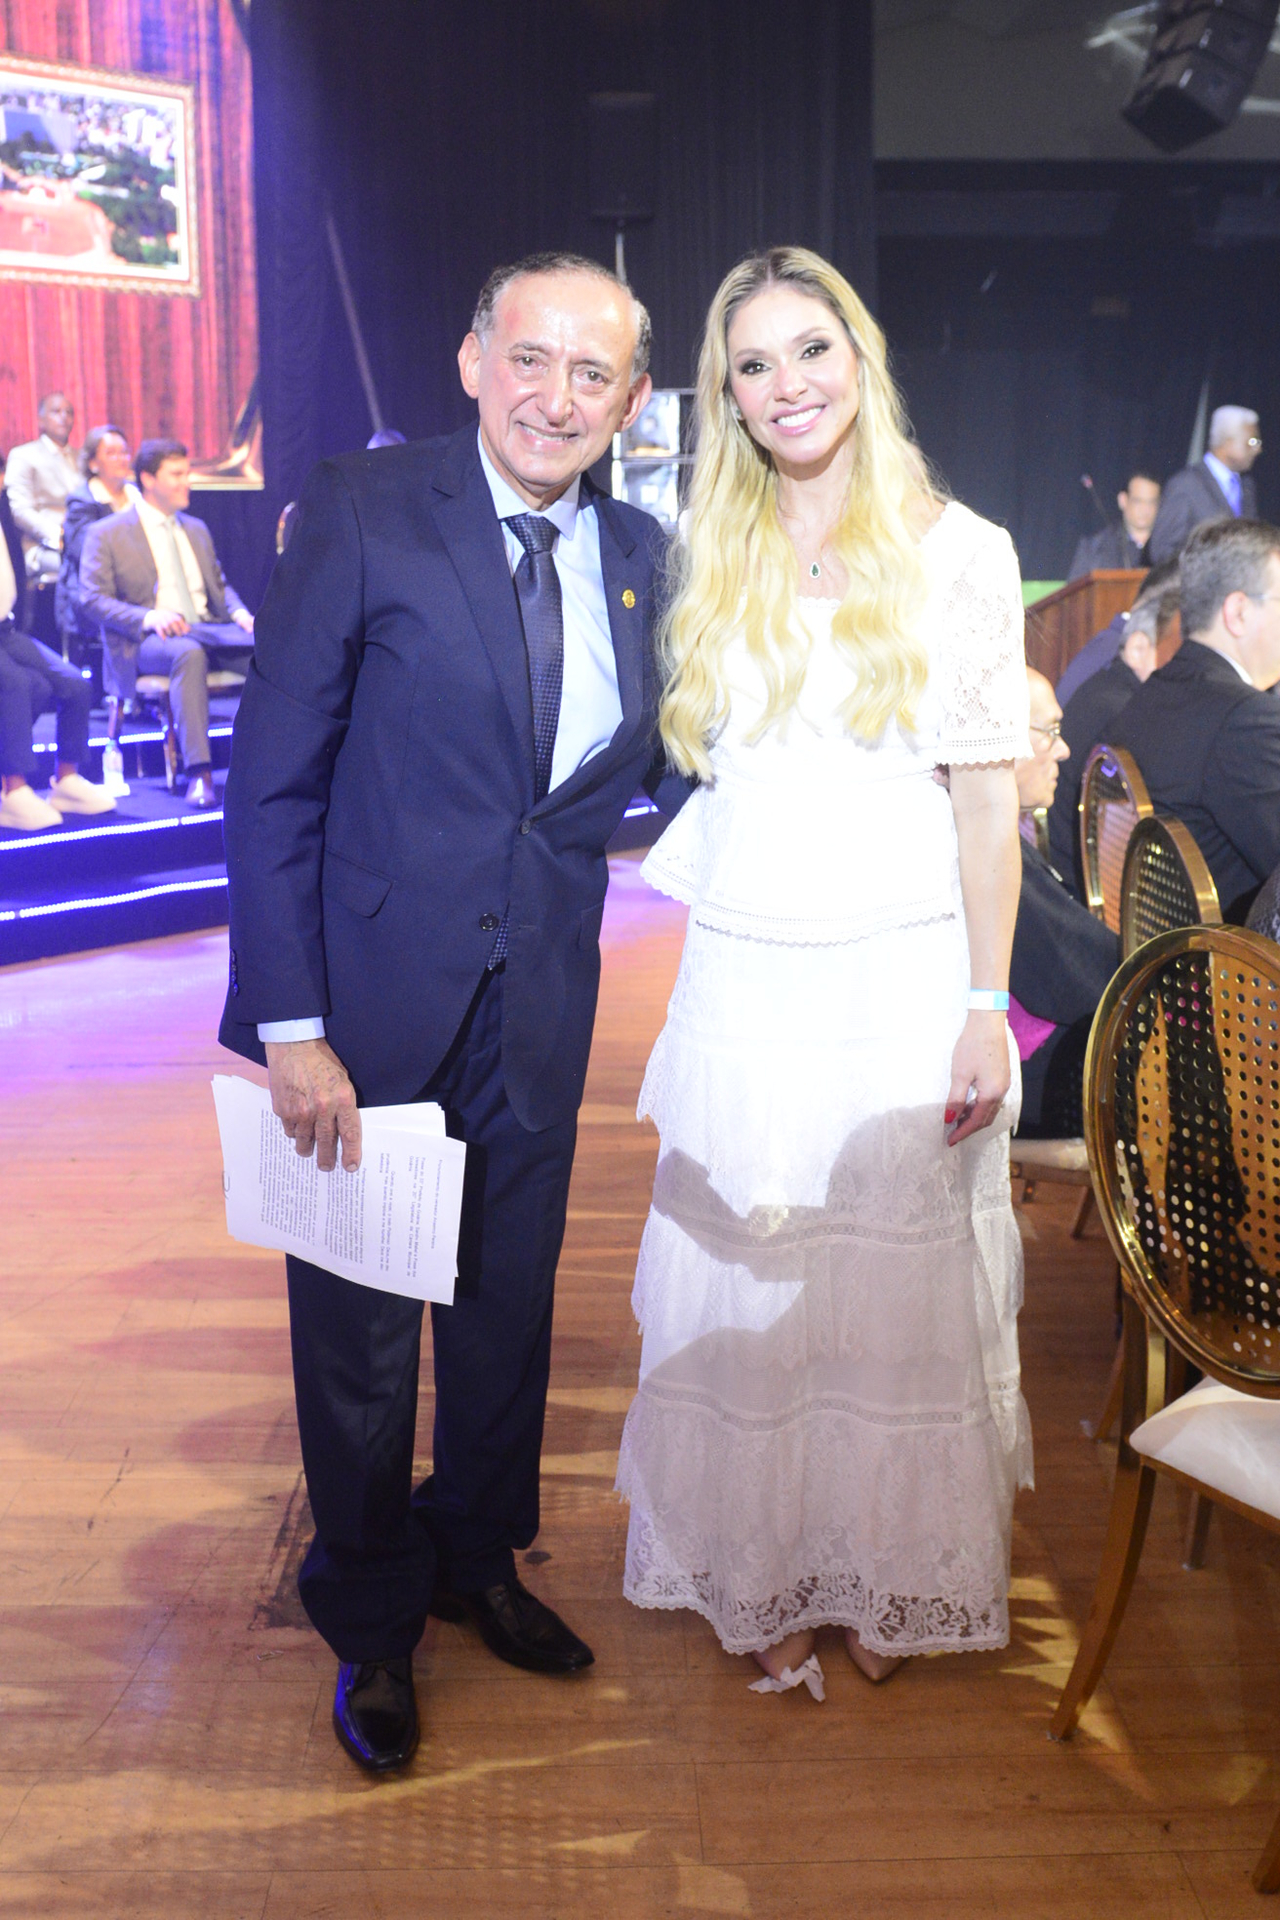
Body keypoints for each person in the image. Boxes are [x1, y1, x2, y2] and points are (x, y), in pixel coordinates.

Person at [219, 251, 683, 1773]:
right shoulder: (364, 509)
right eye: (530, 359)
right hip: (364, 1011)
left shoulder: (644, 555)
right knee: (358, 1338)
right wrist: (290, 1025)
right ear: (474, 359)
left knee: (504, 1309)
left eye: (592, 373)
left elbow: (669, 775)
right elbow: (273, 787)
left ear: (630, 400)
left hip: (538, 1005)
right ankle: (370, 1621)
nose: (557, 397)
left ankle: (477, 1559)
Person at [617, 247, 1032, 1700]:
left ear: (860, 358)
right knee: (755, 1268)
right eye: (753, 364)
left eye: (810, 350)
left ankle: (880, 1566)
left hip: (899, 967)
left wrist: (985, 1008)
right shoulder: (705, 542)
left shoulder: (961, 549)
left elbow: (983, 805)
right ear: (725, 396)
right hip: (747, 969)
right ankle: (765, 1563)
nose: (786, 384)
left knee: (889, 1281)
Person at [1108, 516, 1280, 922]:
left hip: (1156, 953)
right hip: (1226, 957)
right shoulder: (1244, 721)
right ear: (1238, 612)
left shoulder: (1151, 696)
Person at [79, 439, 255, 808]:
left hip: (209, 630)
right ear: (148, 479)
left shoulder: (196, 529)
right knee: (188, 654)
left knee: (274, 651)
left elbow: (220, 587)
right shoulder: (108, 532)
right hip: (148, 640)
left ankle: (278, 767)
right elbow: (92, 599)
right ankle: (200, 773)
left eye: (186, 473)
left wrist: (240, 614)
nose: (186, 482)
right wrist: (148, 616)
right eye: (176, 474)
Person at [1010, 671, 1120, 1136]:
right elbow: (1081, 987)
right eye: (1050, 731)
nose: (1064, 750)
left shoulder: (998, 837)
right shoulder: (990, 852)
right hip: (1048, 1084)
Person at [1045, 563, 1177, 891]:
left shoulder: (1107, 686)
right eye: (1176, 651)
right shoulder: (1124, 710)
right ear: (1138, 648)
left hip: (1066, 878)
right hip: (1085, 894)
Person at [0, 484, 114, 830]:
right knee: (17, 684)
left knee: (74, 684)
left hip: (6, 629)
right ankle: (13, 790)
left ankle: (66, 779)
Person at [57, 424, 137, 662]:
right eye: (111, 453)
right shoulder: (82, 502)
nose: (121, 459)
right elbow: (88, 555)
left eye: (124, 452)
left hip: (134, 588)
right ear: (93, 463)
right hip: (94, 593)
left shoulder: (138, 496)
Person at [1149, 407, 1261, 564]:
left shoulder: (1246, 487)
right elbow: (1162, 550)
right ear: (1227, 442)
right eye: (1252, 441)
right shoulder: (1186, 485)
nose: (1257, 449)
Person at [4, 391, 79, 587]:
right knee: (87, 566)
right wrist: (60, 536)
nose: (64, 417)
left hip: (84, 542)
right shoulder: (24, 455)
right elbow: (20, 511)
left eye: (69, 412)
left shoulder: (82, 457)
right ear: (40, 420)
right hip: (43, 546)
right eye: (56, 411)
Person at [1067, 472, 1160, 580]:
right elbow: (1076, 588)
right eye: (1138, 501)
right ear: (1123, 500)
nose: (1145, 509)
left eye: (1152, 502)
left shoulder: (1169, 548)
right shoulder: (1095, 549)